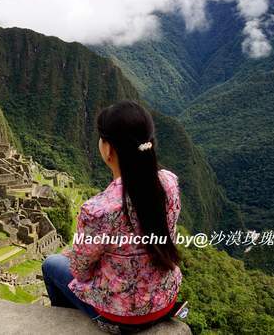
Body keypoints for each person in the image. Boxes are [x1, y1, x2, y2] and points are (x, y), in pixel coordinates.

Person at [42, 100, 182, 329]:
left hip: (122, 317)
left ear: (108, 149)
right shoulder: (169, 183)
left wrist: (76, 254)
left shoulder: (98, 210)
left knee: (51, 264)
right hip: (165, 301)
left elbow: (80, 271)